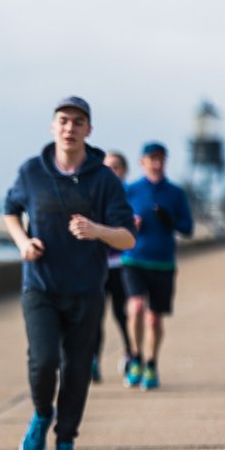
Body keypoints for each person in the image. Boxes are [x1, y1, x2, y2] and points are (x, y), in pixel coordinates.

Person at [5, 96, 136, 450]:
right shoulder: (32, 172)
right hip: (41, 287)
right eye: (63, 120)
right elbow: (10, 210)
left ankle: (65, 446)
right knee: (44, 362)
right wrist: (23, 243)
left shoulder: (104, 179)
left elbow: (128, 238)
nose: (70, 127)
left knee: (77, 369)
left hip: (85, 289)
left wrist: (97, 230)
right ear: (53, 126)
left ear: (88, 130)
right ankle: (43, 412)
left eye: (78, 121)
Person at [121, 142, 194, 390]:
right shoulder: (130, 190)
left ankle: (151, 363)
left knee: (154, 319)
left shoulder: (175, 193)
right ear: (142, 162)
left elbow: (187, 228)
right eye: (152, 158)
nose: (157, 163)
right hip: (133, 258)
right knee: (136, 307)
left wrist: (169, 220)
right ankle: (135, 357)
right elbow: (115, 222)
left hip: (163, 263)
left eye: (161, 158)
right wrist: (130, 224)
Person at [93, 151, 135, 381]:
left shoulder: (130, 194)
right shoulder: (95, 193)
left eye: (117, 166)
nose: (112, 171)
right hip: (98, 265)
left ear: (125, 170)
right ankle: (93, 360)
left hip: (123, 264)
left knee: (123, 314)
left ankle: (131, 355)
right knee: (95, 316)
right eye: (107, 166)